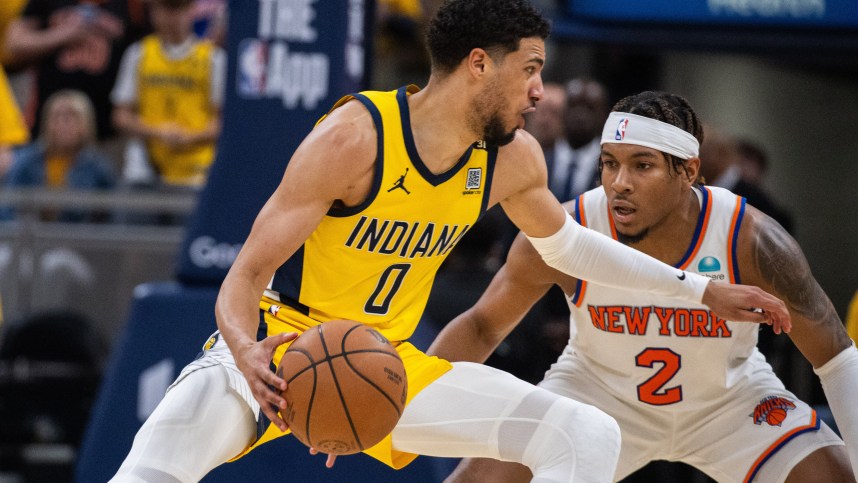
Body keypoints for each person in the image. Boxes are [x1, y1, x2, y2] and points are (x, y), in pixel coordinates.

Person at [110, 3, 791, 482]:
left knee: (585, 433)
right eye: (529, 69)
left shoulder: (513, 160)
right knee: (148, 470)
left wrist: (703, 289)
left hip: (387, 365)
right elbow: (245, 273)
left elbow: (573, 251)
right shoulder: (355, 138)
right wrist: (245, 349)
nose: (538, 90)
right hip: (278, 346)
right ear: (477, 65)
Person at [431, 91, 858, 483]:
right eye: (610, 162)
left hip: (729, 403)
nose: (620, 182)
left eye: (642, 165)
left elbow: (836, 358)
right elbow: (483, 326)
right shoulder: (567, 229)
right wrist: (412, 400)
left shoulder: (750, 238)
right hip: (597, 394)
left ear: (689, 171)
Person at [111, 0, 225, 189]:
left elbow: (222, 121)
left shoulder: (213, 59)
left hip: (197, 172)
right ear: (153, 12)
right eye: (164, 9)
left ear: (191, 11)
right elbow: (120, 116)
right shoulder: (138, 54)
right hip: (145, 168)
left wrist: (189, 137)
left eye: (177, 9)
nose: (171, 18)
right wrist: (158, 132)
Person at [3, 0, 132, 141]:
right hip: (47, 124)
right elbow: (13, 43)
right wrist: (63, 35)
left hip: (107, 129)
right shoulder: (47, 4)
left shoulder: (128, 5)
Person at [1, 89, 115, 222]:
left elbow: (112, 217)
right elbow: (7, 209)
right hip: (32, 238)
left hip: (80, 239)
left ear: (86, 123)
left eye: (71, 117)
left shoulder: (98, 167)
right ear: (46, 122)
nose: (63, 124)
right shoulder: (26, 161)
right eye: (57, 117)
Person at [546, 77, 608, 202]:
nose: (580, 115)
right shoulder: (539, 159)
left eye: (590, 108)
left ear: (603, 115)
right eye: (573, 106)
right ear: (562, 111)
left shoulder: (610, 169)